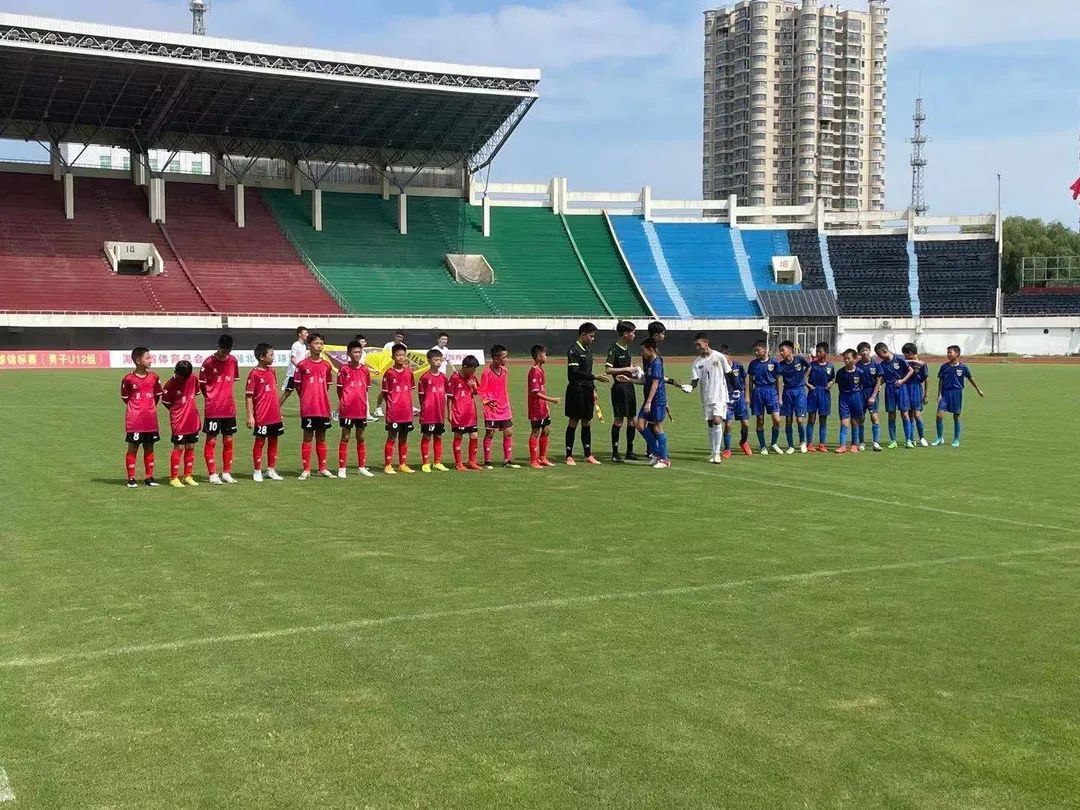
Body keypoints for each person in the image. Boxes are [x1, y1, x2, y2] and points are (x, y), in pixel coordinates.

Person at [281, 331, 334, 479]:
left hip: (322, 407)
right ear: (309, 345)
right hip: (309, 408)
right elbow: (298, 386)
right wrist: (306, 398)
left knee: (322, 437)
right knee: (308, 437)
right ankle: (306, 469)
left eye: (321, 343)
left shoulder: (326, 365)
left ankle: (322, 468)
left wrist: (319, 397)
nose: (319, 346)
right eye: (316, 343)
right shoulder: (302, 365)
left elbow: (327, 385)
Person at [564, 322, 610, 465]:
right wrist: (595, 377)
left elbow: (588, 372)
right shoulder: (574, 350)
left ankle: (588, 454)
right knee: (573, 421)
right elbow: (574, 372)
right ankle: (569, 455)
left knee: (587, 421)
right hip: (576, 390)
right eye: (591, 336)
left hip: (587, 390)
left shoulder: (588, 350)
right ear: (583, 334)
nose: (593, 339)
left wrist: (593, 389)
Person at [199, 334, 240, 484]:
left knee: (228, 440)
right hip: (213, 408)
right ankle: (212, 474)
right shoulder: (208, 362)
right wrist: (211, 397)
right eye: (223, 350)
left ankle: (226, 473)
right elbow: (202, 385)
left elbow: (232, 381)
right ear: (218, 347)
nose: (225, 354)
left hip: (229, 408)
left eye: (228, 351)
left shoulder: (233, 360)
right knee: (211, 440)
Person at [120, 347, 162, 488]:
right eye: (147, 357)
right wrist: (136, 408)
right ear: (138, 360)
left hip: (150, 419)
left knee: (149, 448)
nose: (150, 360)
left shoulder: (154, 377)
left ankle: (149, 477)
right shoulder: (128, 379)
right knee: (133, 448)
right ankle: (131, 478)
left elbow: (157, 396)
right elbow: (125, 397)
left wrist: (149, 408)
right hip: (135, 420)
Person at [690, 333, 733, 464]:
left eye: (699, 345)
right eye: (696, 345)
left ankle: (717, 453)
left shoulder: (719, 356)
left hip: (720, 395)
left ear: (706, 343)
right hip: (706, 397)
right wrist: (690, 387)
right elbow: (695, 381)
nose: (697, 347)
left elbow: (729, 373)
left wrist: (734, 391)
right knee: (710, 424)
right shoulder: (697, 362)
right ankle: (713, 452)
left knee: (717, 421)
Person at [245, 343, 285, 482]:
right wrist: (250, 416)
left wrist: (278, 411)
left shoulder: (272, 371)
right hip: (262, 415)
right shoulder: (254, 374)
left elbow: (274, 392)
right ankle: (257, 471)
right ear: (262, 357)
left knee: (274, 441)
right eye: (271, 355)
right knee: (260, 441)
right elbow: (249, 397)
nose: (273, 357)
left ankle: (271, 470)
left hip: (275, 415)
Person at [932, 345, 985, 447]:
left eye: (950, 352)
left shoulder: (963, 367)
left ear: (957, 354)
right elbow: (941, 381)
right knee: (939, 416)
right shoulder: (944, 367)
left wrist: (978, 390)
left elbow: (970, 378)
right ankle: (939, 438)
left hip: (957, 393)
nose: (948, 354)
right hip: (945, 394)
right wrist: (939, 394)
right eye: (947, 352)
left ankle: (956, 439)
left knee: (956, 417)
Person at [336, 340, 375, 478]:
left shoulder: (365, 370)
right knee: (345, 436)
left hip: (361, 410)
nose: (357, 354)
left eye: (359, 352)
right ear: (349, 353)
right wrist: (345, 402)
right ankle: (342, 468)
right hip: (347, 409)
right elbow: (339, 390)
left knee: (361, 437)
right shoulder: (343, 369)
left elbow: (366, 390)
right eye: (355, 352)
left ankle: (361, 467)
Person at [161, 360, 200, 488]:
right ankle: (174, 477)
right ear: (176, 372)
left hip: (192, 418)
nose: (182, 379)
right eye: (180, 376)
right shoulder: (170, 384)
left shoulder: (193, 378)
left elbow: (195, 393)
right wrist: (176, 410)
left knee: (191, 446)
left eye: (185, 377)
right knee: (179, 447)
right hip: (178, 421)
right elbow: (165, 402)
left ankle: (187, 476)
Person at [479, 345, 519, 469]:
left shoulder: (505, 371)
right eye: (504, 357)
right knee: (490, 433)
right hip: (492, 408)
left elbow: (503, 389)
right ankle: (487, 461)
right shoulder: (486, 372)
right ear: (496, 358)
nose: (506, 359)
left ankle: (507, 461)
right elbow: (482, 390)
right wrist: (487, 402)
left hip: (504, 406)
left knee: (508, 432)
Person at [604, 320, 639, 462]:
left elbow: (629, 368)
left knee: (632, 419)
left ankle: (630, 451)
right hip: (619, 388)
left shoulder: (627, 349)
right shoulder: (614, 349)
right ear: (625, 334)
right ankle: (615, 453)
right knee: (619, 420)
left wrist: (635, 372)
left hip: (629, 387)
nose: (634, 335)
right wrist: (627, 369)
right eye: (633, 333)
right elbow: (608, 369)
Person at [378, 343, 416, 474]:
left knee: (404, 438)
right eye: (398, 355)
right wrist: (391, 404)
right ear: (393, 357)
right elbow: (385, 393)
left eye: (403, 355)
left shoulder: (409, 372)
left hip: (407, 412)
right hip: (394, 412)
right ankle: (388, 465)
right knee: (392, 437)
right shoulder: (389, 373)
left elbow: (410, 390)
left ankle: (402, 464)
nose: (401, 357)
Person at [875, 342, 915, 449]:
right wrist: (879, 385)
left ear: (885, 351)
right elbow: (883, 378)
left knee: (905, 414)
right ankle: (893, 441)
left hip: (901, 389)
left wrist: (902, 380)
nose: (879, 357)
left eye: (879, 354)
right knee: (891, 414)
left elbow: (911, 370)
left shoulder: (899, 359)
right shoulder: (882, 364)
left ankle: (908, 440)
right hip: (889, 390)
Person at [638, 337, 671, 468]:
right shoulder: (649, 363)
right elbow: (646, 381)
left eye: (643, 350)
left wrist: (649, 402)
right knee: (640, 425)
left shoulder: (657, 363)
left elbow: (655, 384)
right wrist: (628, 380)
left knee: (657, 427)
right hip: (649, 400)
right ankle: (657, 453)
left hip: (656, 400)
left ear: (650, 350)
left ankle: (665, 459)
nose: (642, 353)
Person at [527, 344, 562, 469]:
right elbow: (535, 393)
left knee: (546, 430)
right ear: (538, 356)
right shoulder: (534, 372)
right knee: (536, 432)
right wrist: (552, 400)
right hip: (535, 408)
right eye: (545, 354)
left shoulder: (541, 370)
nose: (546, 356)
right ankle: (533, 460)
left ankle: (542, 457)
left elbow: (542, 389)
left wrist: (546, 405)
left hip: (542, 408)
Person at [746, 340, 783, 455]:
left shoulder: (774, 362)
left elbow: (778, 380)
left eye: (758, 350)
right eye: (755, 351)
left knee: (777, 420)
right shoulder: (753, 364)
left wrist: (780, 397)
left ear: (765, 349)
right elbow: (750, 381)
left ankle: (773, 443)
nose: (756, 353)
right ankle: (763, 446)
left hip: (771, 392)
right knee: (760, 420)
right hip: (758, 392)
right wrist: (749, 397)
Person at [447, 355, 483, 471]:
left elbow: (477, 392)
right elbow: (449, 397)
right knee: (458, 436)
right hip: (459, 413)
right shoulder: (455, 378)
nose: (474, 371)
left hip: (471, 413)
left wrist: (474, 386)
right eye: (472, 369)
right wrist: (449, 413)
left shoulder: (472, 377)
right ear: (465, 367)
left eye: (475, 369)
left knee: (474, 436)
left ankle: (472, 461)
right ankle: (459, 463)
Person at [417, 349, 450, 473]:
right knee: (427, 436)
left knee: (438, 436)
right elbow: (421, 396)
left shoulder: (443, 377)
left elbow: (446, 393)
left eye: (440, 360)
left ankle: (437, 462)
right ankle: (425, 463)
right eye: (436, 360)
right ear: (429, 361)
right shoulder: (425, 377)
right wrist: (425, 408)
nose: (438, 362)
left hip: (439, 413)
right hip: (428, 413)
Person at [776, 340, 811, 454]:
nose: (781, 353)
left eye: (783, 350)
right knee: (788, 420)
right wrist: (780, 397)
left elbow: (809, 367)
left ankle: (802, 442)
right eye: (780, 351)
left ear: (790, 350)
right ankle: (790, 446)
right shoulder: (781, 365)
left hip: (799, 391)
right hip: (787, 392)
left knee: (800, 419)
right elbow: (779, 381)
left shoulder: (799, 359)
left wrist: (804, 379)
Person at [719, 343, 752, 457]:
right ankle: (727, 449)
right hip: (727, 399)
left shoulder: (738, 365)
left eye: (724, 357)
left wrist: (747, 396)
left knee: (746, 424)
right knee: (728, 425)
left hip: (740, 398)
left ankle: (743, 442)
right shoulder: (720, 369)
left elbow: (745, 378)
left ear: (729, 355)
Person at [834, 349, 865, 454]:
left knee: (855, 422)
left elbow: (862, 385)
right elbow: (839, 385)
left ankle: (854, 445)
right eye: (845, 358)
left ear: (855, 359)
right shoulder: (840, 372)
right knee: (844, 422)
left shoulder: (860, 372)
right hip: (844, 397)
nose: (846, 360)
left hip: (856, 397)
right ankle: (842, 446)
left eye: (848, 358)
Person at [805, 342, 834, 452]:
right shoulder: (811, 365)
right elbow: (803, 378)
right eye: (816, 351)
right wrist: (808, 385)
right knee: (811, 419)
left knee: (823, 420)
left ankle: (822, 444)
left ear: (825, 353)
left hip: (825, 393)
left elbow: (832, 378)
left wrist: (831, 383)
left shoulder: (830, 366)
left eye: (819, 351)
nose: (817, 353)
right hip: (813, 392)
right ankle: (809, 444)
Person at [856, 342, 883, 451]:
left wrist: (873, 396)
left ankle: (876, 442)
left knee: (874, 417)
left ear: (870, 351)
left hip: (872, 392)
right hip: (860, 394)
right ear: (859, 353)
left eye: (866, 350)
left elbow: (878, 382)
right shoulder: (857, 366)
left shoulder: (876, 365)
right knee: (861, 419)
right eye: (862, 351)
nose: (865, 352)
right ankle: (861, 442)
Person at [902, 342, 930, 447]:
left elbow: (926, 379)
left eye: (905, 354)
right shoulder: (906, 362)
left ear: (910, 352)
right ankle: (911, 438)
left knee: (917, 414)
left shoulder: (922, 364)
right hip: (905, 388)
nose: (904, 356)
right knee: (909, 414)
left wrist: (926, 395)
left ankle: (922, 437)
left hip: (916, 388)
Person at [285, 326, 308, 390]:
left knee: (302, 390)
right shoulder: (295, 345)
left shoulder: (304, 346)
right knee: (288, 392)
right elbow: (293, 359)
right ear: (300, 334)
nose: (307, 335)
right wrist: (299, 367)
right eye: (305, 333)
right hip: (293, 372)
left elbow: (303, 358)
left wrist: (310, 353)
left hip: (301, 372)